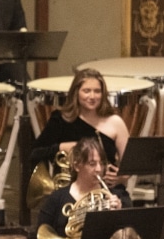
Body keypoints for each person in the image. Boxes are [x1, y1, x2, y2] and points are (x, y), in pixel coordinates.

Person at [30, 68, 131, 207]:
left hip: (107, 191)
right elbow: (34, 153)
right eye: (86, 91)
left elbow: (131, 164)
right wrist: (61, 147)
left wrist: (121, 177)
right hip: (70, 192)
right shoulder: (60, 120)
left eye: (97, 91)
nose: (92, 96)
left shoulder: (115, 122)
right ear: (76, 93)